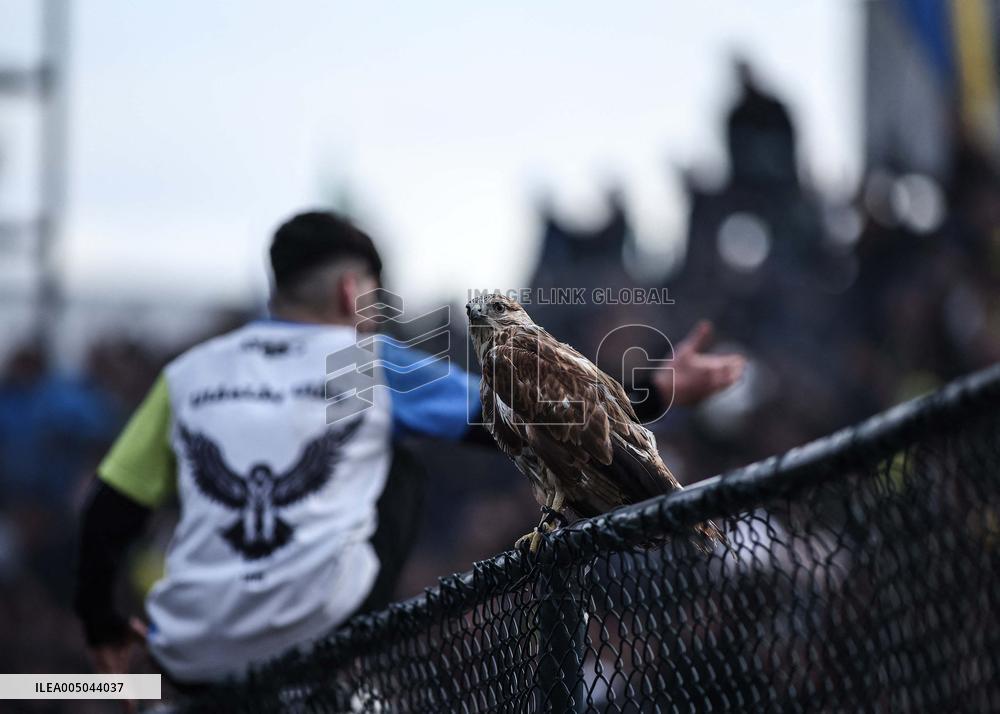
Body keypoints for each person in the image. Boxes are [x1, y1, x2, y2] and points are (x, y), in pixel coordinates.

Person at [73, 210, 744, 687]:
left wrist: (102, 622)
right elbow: (520, 415)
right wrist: (658, 389)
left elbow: (110, 511)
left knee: (56, 671)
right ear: (348, 291)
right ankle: (348, 656)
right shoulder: (362, 361)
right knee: (392, 460)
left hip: (187, 654)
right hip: (309, 643)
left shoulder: (192, 373)